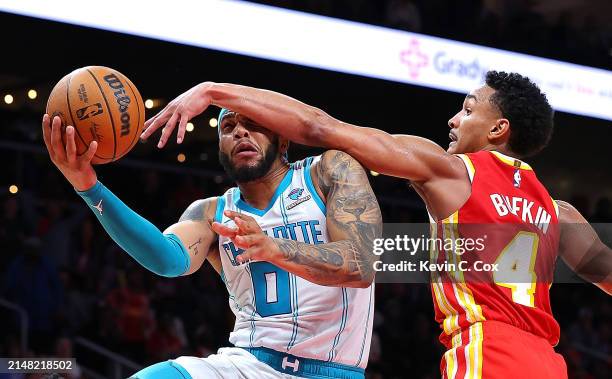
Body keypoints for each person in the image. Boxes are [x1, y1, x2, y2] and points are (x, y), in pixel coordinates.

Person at [142, 71, 612, 379]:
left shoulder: (452, 171)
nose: (453, 119)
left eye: (468, 109)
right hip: (549, 364)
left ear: (498, 129)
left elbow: (318, 128)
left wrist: (214, 92)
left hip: (488, 355)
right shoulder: (559, 212)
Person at [41, 108, 381, 379]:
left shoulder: (329, 171)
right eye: (228, 126)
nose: (240, 132)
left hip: (333, 371)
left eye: (253, 124)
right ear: (219, 147)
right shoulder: (212, 212)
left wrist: (273, 247)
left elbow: (362, 264)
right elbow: (166, 258)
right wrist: (88, 186)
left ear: (282, 141)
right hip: (248, 365)